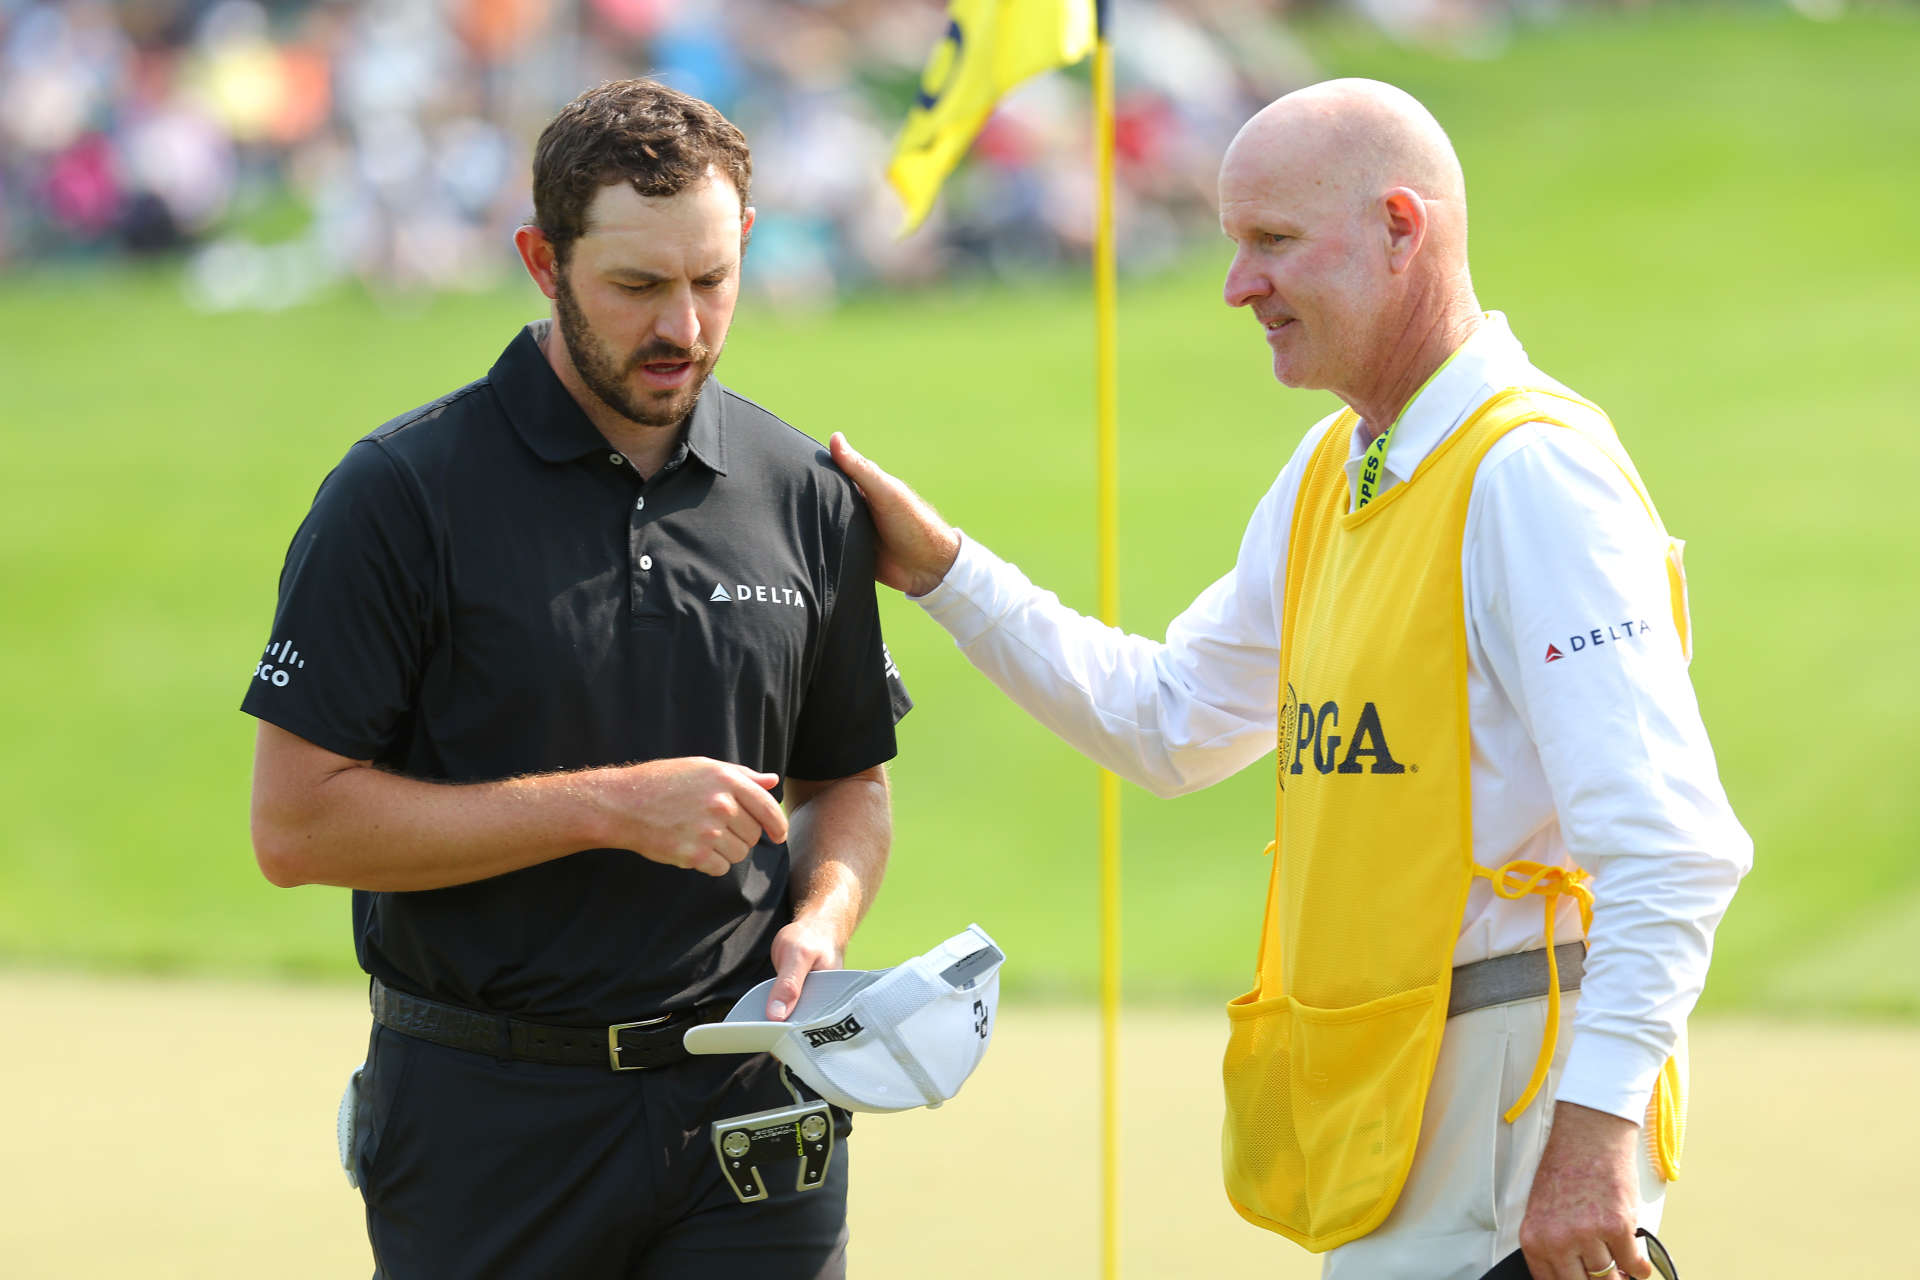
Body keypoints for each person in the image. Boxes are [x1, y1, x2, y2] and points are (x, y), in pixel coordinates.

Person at [829, 78, 1749, 1280]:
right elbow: (1169, 725)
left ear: (1400, 230)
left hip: (1512, 1139)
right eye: (1232, 244)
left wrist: (1595, 1140)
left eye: (1272, 241)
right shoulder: (1337, 466)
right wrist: (948, 572)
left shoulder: (1533, 476)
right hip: (1397, 1126)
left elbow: (1674, 851)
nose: (1236, 285)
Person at [244, 79, 910, 1279]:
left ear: (748, 242)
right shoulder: (400, 494)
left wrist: (822, 920)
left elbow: (848, 779)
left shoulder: (803, 492)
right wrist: (608, 807)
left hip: (750, 1118)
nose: (685, 329)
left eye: (712, 280)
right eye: (638, 286)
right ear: (542, 261)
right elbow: (295, 824)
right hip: (485, 1121)